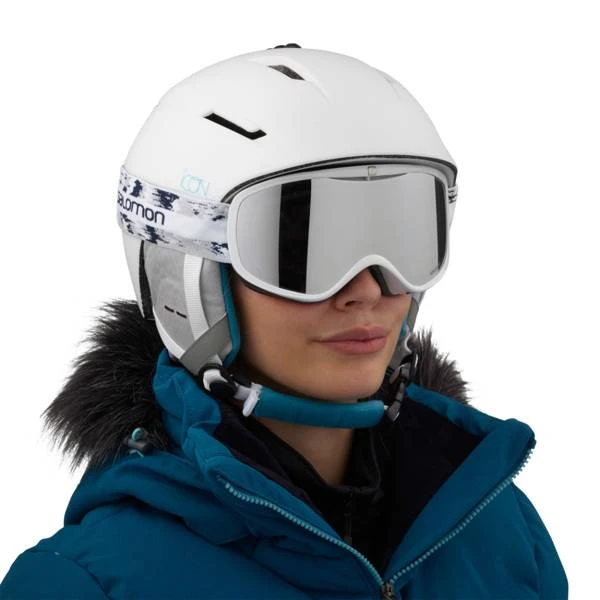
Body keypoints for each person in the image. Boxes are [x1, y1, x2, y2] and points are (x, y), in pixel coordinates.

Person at [0, 44, 568, 599]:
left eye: (401, 237)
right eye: (301, 251)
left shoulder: (499, 531)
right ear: (188, 277)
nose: (368, 290)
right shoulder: (80, 586)